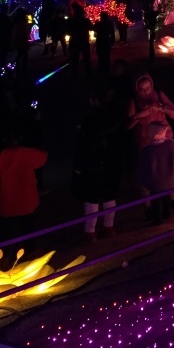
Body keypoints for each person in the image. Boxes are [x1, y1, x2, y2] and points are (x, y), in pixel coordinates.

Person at [71, 86, 124, 240]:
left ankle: (90, 232)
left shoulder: (90, 120)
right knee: (109, 195)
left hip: (92, 164)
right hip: (112, 162)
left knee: (92, 198)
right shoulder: (116, 117)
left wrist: (78, 166)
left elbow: (84, 145)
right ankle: (109, 227)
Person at [0, 133, 47, 242]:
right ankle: (30, 252)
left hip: (7, 198)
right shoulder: (27, 152)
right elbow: (43, 157)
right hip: (26, 197)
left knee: (6, 229)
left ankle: (3, 255)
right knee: (28, 226)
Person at [136, 122, 174, 226]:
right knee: (167, 196)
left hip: (153, 182)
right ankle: (166, 214)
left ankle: (157, 218)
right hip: (170, 180)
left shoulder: (147, 151)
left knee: (155, 200)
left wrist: (142, 180)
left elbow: (142, 169)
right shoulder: (173, 147)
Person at [67, 4, 92, 80]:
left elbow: (68, 31)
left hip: (75, 42)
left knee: (75, 59)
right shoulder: (86, 20)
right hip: (84, 41)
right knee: (86, 59)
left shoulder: (71, 21)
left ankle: (75, 75)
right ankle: (88, 74)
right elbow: (91, 27)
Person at [93, 11, 116, 75]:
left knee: (100, 55)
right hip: (106, 40)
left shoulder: (99, 23)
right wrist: (112, 41)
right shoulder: (110, 23)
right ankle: (107, 68)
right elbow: (112, 32)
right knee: (106, 55)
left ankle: (101, 68)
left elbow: (94, 30)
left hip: (100, 40)